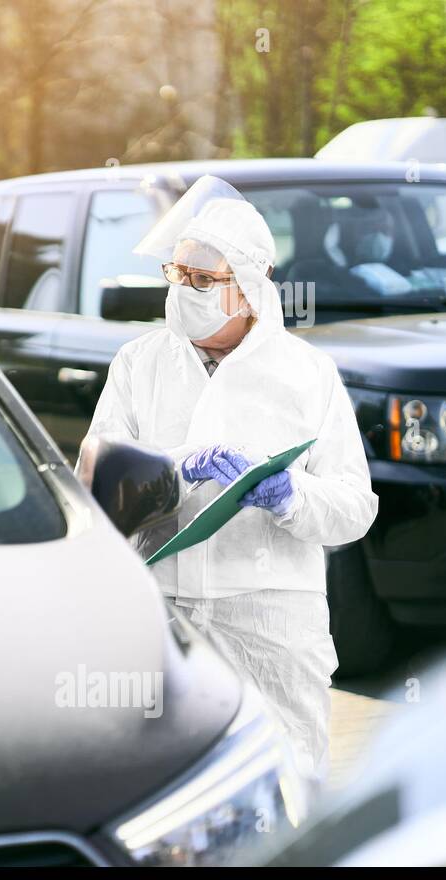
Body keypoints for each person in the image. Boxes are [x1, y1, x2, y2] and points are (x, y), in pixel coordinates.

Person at [78, 177, 378, 783]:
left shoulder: (306, 374)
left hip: (272, 622)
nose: (182, 288)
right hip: (166, 610)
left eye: (201, 280)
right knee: (163, 786)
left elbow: (354, 507)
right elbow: (96, 481)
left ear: (246, 288)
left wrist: (290, 495)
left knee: (288, 779)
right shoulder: (139, 363)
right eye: (176, 272)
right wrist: (171, 468)